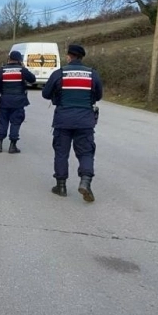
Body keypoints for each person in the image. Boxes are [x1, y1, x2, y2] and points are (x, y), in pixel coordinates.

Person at [41, 44, 103, 202]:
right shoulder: (92, 74)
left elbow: (46, 94)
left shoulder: (59, 73)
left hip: (63, 119)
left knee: (61, 153)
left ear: (69, 56)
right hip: (85, 120)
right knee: (86, 152)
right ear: (82, 57)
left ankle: (61, 186)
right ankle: (85, 181)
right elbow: (98, 95)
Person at [0, 51, 36, 154]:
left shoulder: (1, 71)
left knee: (3, 122)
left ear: (9, 59)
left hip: (5, 101)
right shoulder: (22, 70)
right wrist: (23, 68)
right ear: (19, 60)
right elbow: (32, 79)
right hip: (19, 102)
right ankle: (12, 146)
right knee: (16, 122)